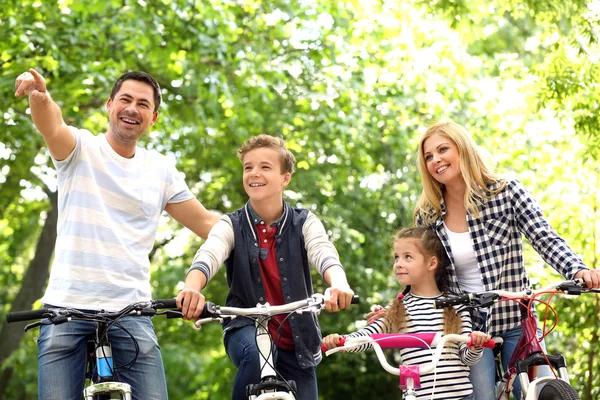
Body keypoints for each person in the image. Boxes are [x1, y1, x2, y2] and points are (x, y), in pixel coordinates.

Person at [15, 69, 219, 400]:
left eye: (142, 104)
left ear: (152, 118)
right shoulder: (81, 149)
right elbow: (51, 125)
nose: (132, 109)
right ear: (109, 105)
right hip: (66, 309)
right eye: (125, 99)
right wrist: (40, 98)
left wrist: (263, 222)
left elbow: (209, 225)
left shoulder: (160, 171)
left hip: (132, 312)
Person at [412, 120, 600, 399]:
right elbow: (422, 274)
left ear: (462, 149)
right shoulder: (427, 214)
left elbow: (543, 237)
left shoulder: (506, 191)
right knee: (482, 396)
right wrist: (400, 306)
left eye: (443, 149)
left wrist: (578, 270)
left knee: (541, 392)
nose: (436, 160)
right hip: (468, 328)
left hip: (516, 317)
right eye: (428, 156)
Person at [176, 134, 355, 400]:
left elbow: (324, 252)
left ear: (286, 178)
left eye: (265, 167)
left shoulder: (304, 221)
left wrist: (338, 284)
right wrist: (191, 288)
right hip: (245, 328)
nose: (254, 173)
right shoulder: (231, 224)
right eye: (248, 167)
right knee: (257, 355)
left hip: (298, 341)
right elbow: (210, 253)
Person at [322, 227, 490, 400]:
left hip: (459, 397)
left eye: (407, 257)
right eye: (396, 257)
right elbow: (368, 337)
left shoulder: (455, 306)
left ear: (431, 263)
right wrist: (342, 340)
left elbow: (467, 357)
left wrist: (474, 345)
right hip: (415, 395)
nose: (398, 263)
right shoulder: (397, 308)